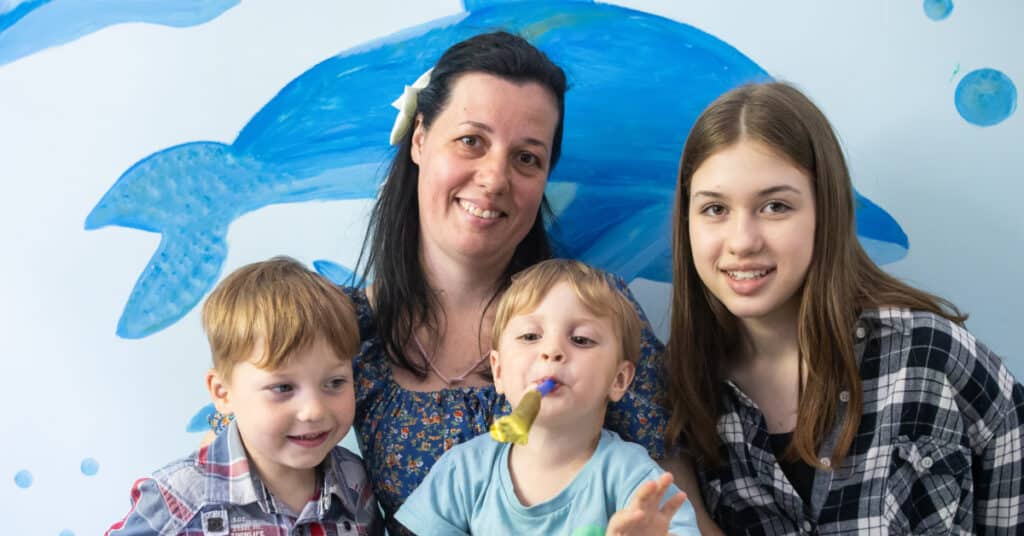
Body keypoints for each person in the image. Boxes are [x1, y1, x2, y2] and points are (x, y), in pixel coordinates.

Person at [347, 30, 701, 533]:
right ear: (420, 138)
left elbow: (672, 501)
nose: (495, 178)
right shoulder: (349, 332)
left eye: (526, 157)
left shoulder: (596, 313)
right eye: (471, 141)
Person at [664, 81, 1024, 534]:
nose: (742, 242)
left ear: (825, 210)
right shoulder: (681, 391)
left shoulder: (932, 358)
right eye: (715, 209)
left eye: (775, 206)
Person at [395, 259, 699, 535]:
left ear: (619, 380)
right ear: (498, 372)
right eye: (530, 336)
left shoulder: (633, 477)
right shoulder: (464, 471)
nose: (551, 350)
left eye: (581, 339)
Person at [108, 257, 383, 535]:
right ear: (223, 393)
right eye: (283, 388)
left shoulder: (355, 481)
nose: (314, 410)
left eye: (335, 382)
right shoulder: (179, 500)